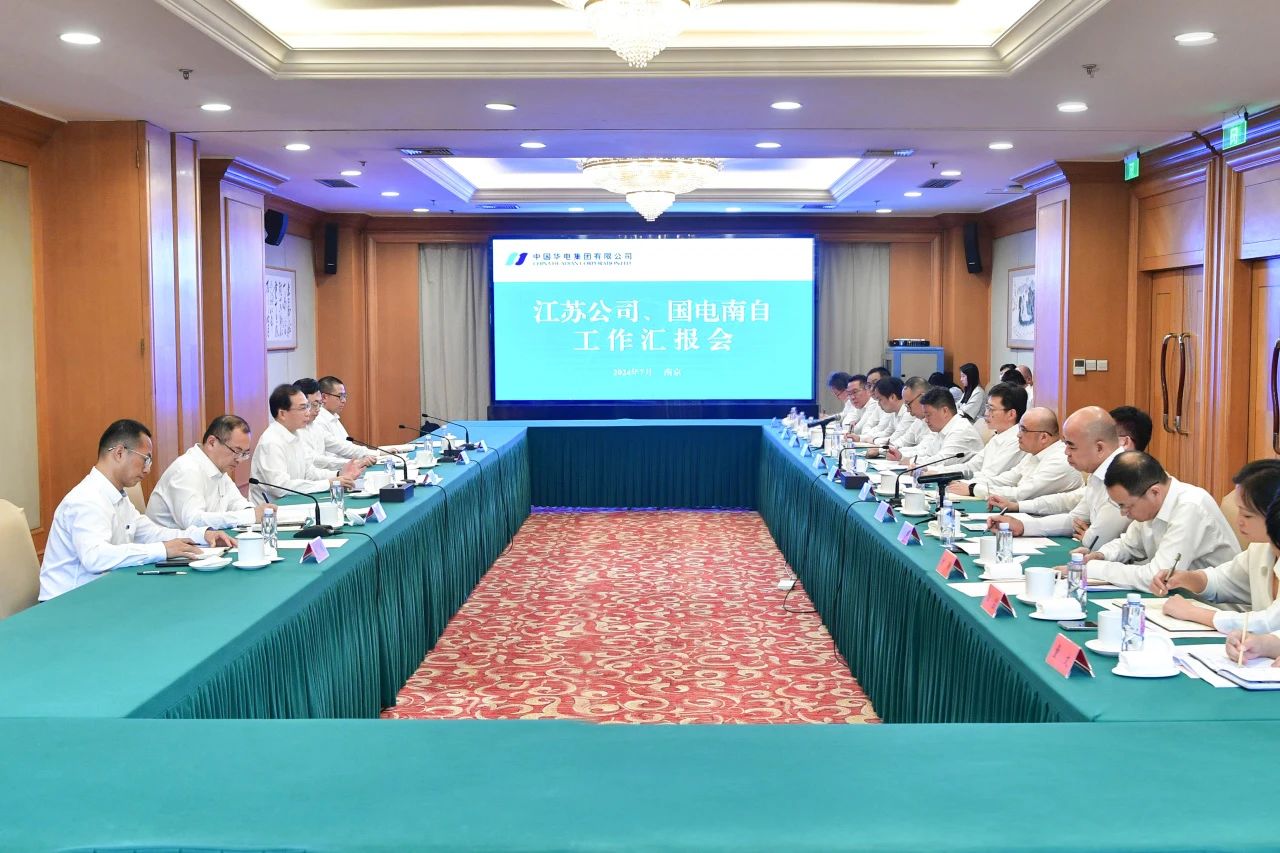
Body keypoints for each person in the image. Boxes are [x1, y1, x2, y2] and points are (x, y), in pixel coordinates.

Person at [39, 419, 234, 601]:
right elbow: (95, 557)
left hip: (101, 594)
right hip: (67, 602)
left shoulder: (118, 497)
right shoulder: (87, 499)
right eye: (145, 459)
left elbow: (152, 533)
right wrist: (162, 550)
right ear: (119, 453)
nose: (147, 469)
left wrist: (202, 535)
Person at [1079, 451, 1239, 590]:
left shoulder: (1191, 506)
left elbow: (1159, 577)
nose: (1123, 513)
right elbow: (1128, 545)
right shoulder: (1150, 503)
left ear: (1154, 492)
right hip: (1178, 599)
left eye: (1126, 506)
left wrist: (1095, 569)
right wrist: (1101, 555)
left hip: (1213, 605)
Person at [1154, 461, 1280, 630]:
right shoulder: (1261, 548)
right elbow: (1224, 580)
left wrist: (1193, 613)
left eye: (1247, 515)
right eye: (1239, 511)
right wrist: (1187, 579)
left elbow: (1269, 622)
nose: (1239, 521)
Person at [986, 406, 1129, 548]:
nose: (1066, 452)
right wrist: (1023, 526)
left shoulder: (1124, 476)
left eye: (1072, 446)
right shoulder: (1099, 472)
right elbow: (1075, 520)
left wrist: (1088, 536)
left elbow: (1096, 541)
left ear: (1099, 448)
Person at [147, 415, 276, 530]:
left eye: (244, 453)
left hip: (199, 544)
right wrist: (250, 515)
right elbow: (193, 521)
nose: (239, 459)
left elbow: (236, 502)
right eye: (236, 451)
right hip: (168, 547)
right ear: (212, 443)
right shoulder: (186, 470)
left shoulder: (219, 469)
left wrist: (253, 511)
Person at [250, 384, 362, 505]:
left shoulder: (296, 433)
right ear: (282, 414)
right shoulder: (271, 442)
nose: (308, 413)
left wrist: (338, 475)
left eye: (308, 406)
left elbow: (309, 473)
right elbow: (280, 487)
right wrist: (328, 483)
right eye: (302, 408)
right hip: (273, 510)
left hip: (296, 503)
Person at [962, 408, 1080, 504]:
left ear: (1043, 437)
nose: (1018, 435)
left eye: (1023, 430)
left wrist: (973, 489)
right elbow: (1004, 480)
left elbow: (1020, 495)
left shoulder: (1059, 460)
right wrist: (965, 483)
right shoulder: (1033, 454)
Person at [941, 382, 1026, 488]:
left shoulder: (1016, 441)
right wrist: (938, 472)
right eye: (987, 407)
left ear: (1011, 414)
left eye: (991, 409)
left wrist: (962, 483)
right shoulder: (998, 436)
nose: (986, 413)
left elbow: (990, 476)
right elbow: (972, 466)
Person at [889, 387, 984, 465]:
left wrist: (911, 461)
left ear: (945, 411)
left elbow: (941, 461)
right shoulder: (942, 428)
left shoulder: (961, 430)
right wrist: (902, 456)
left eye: (928, 415)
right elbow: (928, 453)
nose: (926, 420)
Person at [316, 375, 379, 462]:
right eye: (340, 396)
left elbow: (348, 447)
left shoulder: (334, 417)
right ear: (324, 397)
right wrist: (376, 453)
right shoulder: (318, 421)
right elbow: (341, 450)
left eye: (344, 396)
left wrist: (377, 452)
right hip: (334, 468)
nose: (344, 400)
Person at [865, 377, 911, 445]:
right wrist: (861, 438)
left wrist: (873, 440)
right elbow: (887, 433)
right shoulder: (894, 412)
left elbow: (894, 439)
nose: (878, 404)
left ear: (892, 397)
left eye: (880, 399)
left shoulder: (908, 412)